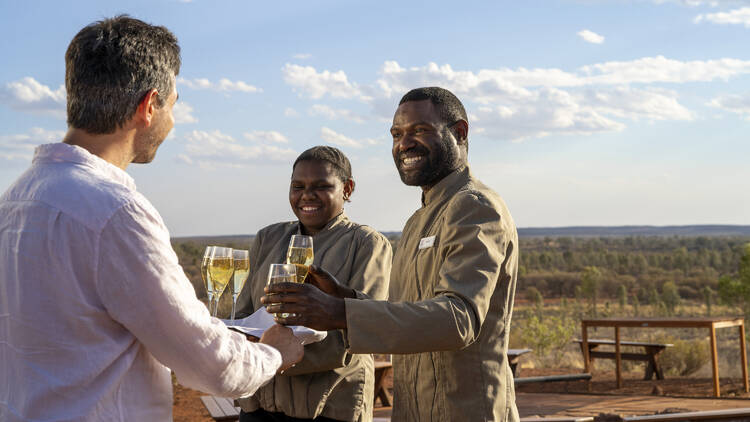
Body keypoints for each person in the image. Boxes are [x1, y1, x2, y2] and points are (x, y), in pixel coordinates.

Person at [0, 16, 302, 421]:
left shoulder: (16, 199)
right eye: (173, 105)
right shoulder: (114, 211)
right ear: (148, 106)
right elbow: (213, 365)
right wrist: (274, 353)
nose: (172, 121)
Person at [263, 87, 520, 421]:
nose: (404, 144)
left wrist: (342, 313)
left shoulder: (473, 206)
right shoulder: (421, 218)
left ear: (460, 132)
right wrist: (347, 298)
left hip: (465, 410)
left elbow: (459, 319)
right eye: (397, 134)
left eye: (419, 131)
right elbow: (410, 314)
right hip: (415, 407)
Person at [230, 146, 392, 422]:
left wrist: (274, 354)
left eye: (321, 186)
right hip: (259, 406)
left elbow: (364, 329)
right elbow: (244, 313)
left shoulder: (366, 244)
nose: (306, 195)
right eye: (298, 186)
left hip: (328, 408)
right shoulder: (268, 238)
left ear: (348, 189)